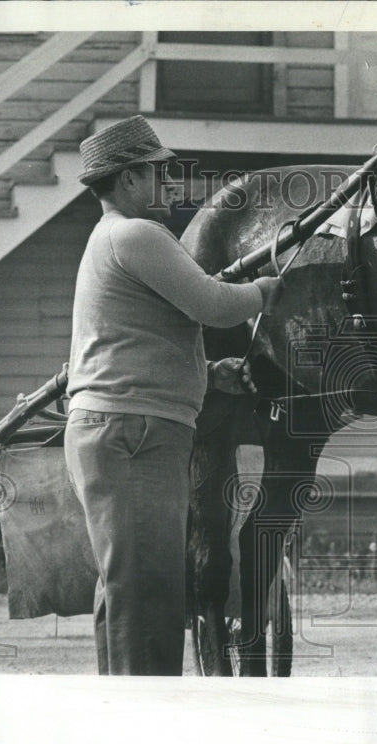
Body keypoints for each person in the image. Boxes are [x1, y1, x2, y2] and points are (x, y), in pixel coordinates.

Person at [64, 115, 280, 675]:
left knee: (129, 590)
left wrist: (209, 372)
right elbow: (212, 304)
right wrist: (265, 290)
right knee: (151, 592)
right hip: (132, 435)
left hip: (123, 429)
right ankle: (150, 726)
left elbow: (135, 340)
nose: (167, 182)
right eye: (157, 172)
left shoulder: (111, 239)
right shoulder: (136, 235)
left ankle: (127, 714)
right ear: (128, 178)